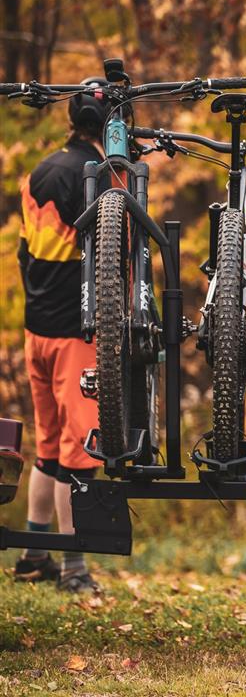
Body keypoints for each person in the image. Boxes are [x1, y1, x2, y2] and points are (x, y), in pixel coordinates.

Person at [14, 77, 113, 593]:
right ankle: (75, 568)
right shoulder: (102, 177)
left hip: (36, 328)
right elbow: (116, 259)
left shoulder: (39, 171)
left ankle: (34, 552)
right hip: (77, 332)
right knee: (80, 452)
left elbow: (25, 251)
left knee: (48, 446)